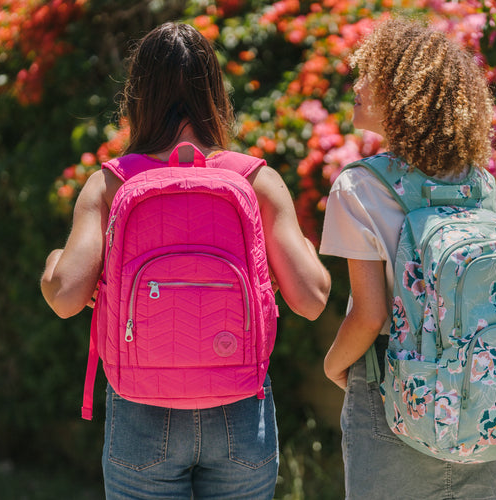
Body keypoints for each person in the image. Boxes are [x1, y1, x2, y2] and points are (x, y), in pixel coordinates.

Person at [40, 22, 331, 499]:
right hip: (240, 407)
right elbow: (313, 299)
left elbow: (66, 297)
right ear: (215, 92)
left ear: (137, 95)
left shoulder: (110, 184)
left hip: (141, 409)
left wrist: (55, 260)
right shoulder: (256, 181)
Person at [319, 18, 496, 499]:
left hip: (392, 390)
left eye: (373, 76)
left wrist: (333, 367)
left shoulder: (361, 186)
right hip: (480, 400)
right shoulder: (481, 185)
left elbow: (370, 315)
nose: (357, 85)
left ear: (405, 94)